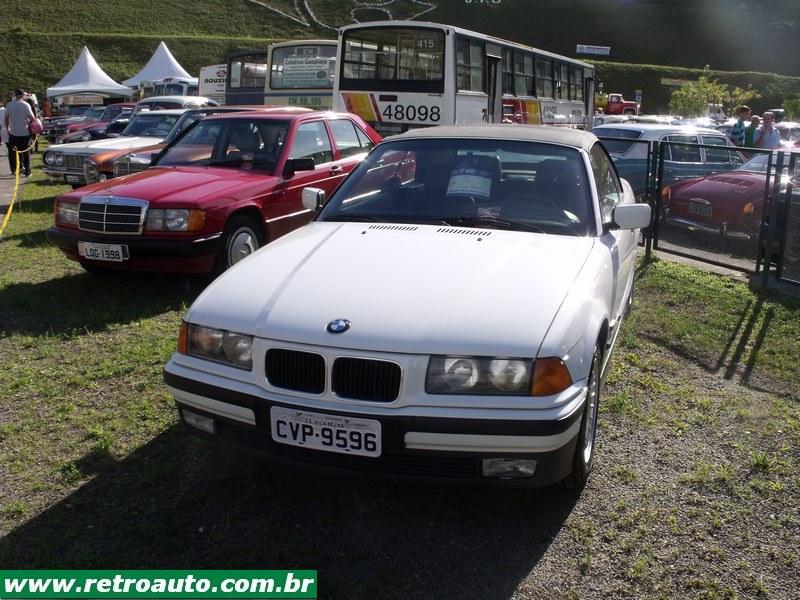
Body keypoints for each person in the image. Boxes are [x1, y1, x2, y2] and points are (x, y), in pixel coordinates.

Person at [4, 89, 34, 176]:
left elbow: (6, 118)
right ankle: (27, 171)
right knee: (26, 153)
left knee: (15, 153)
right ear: (23, 95)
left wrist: (7, 128)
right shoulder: (26, 105)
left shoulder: (9, 104)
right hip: (24, 132)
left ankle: (18, 169)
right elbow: (32, 118)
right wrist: (28, 121)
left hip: (13, 132)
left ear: (15, 95)